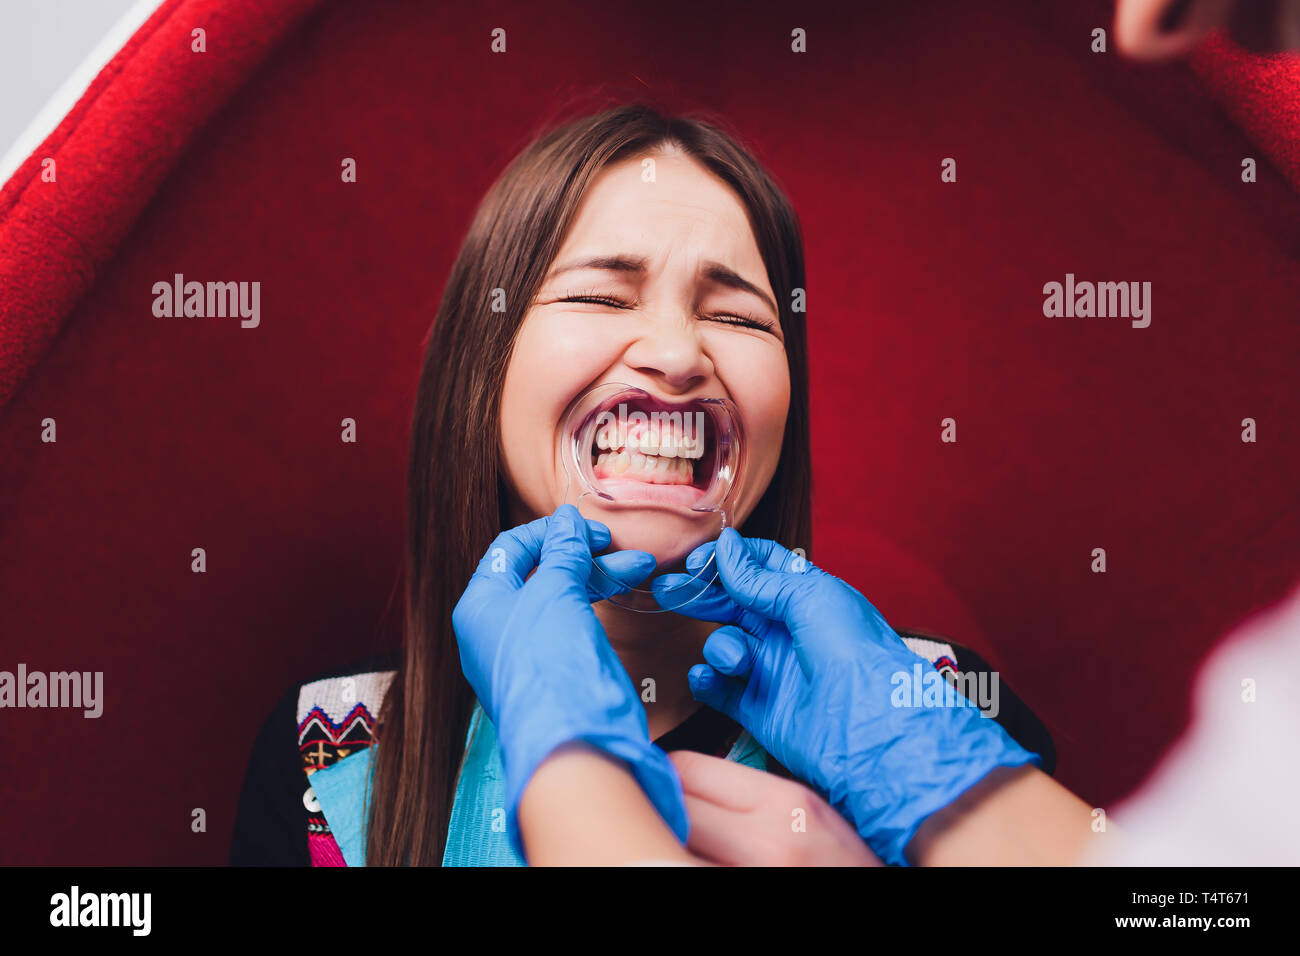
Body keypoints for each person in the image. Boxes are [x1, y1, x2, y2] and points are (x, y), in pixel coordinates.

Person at [230, 103, 1055, 867]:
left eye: (736, 316)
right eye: (599, 295)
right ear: (480, 374)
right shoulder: (326, 753)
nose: (677, 352)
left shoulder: (949, 715)